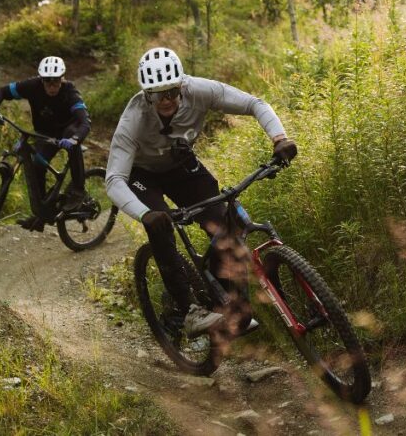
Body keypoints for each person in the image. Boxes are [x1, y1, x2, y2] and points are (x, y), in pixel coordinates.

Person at [105, 47, 297, 336]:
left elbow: (254, 104)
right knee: (161, 226)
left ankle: (226, 305)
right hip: (141, 175)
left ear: (182, 86)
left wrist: (280, 139)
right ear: (147, 95)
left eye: (172, 92)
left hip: (180, 165)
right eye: (158, 95)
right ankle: (189, 311)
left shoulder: (200, 90)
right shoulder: (133, 119)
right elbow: (114, 180)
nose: (166, 100)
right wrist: (145, 214)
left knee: (222, 225)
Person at [0, 56, 90, 231]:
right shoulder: (32, 86)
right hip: (45, 134)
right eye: (47, 81)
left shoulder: (70, 91)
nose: (52, 86)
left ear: (62, 79)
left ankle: (78, 191)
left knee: (72, 139)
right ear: (41, 79)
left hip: (68, 132)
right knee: (36, 165)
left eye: (56, 81)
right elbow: (2, 91)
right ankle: (42, 213)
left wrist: (74, 139)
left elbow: (84, 122)